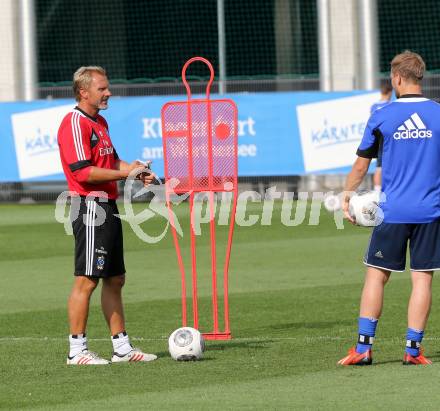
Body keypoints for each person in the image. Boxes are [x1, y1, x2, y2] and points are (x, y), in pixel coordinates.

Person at [339, 51, 438, 366]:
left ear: (397, 78)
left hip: (392, 211)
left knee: (376, 276)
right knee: (422, 278)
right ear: (419, 77)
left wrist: (347, 195)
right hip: (431, 212)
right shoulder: (438, 113)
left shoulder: (382, 114)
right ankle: (413, 351)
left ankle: (363, 348)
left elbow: (360, 165)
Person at [58, 66, 157, 365]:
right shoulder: (74, 122)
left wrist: (135, 170)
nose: (108, 92)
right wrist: (124, 174)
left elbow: (111, 159)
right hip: (89, 206)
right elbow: (83, 171)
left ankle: (122, 348)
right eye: (102, 88)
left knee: (115, 279)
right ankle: (77, 351)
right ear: (84, 92)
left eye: (107, 87)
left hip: (107, 206)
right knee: (87, 280)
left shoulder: (99, 122)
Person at [370, 83, 393, 193]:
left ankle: (377, 190)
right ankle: (385, 189)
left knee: (379, 166)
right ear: (390, 92)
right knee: (387, 164)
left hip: (376, 137)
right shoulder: (390, 105)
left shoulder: (374, 106)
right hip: (386, 138)